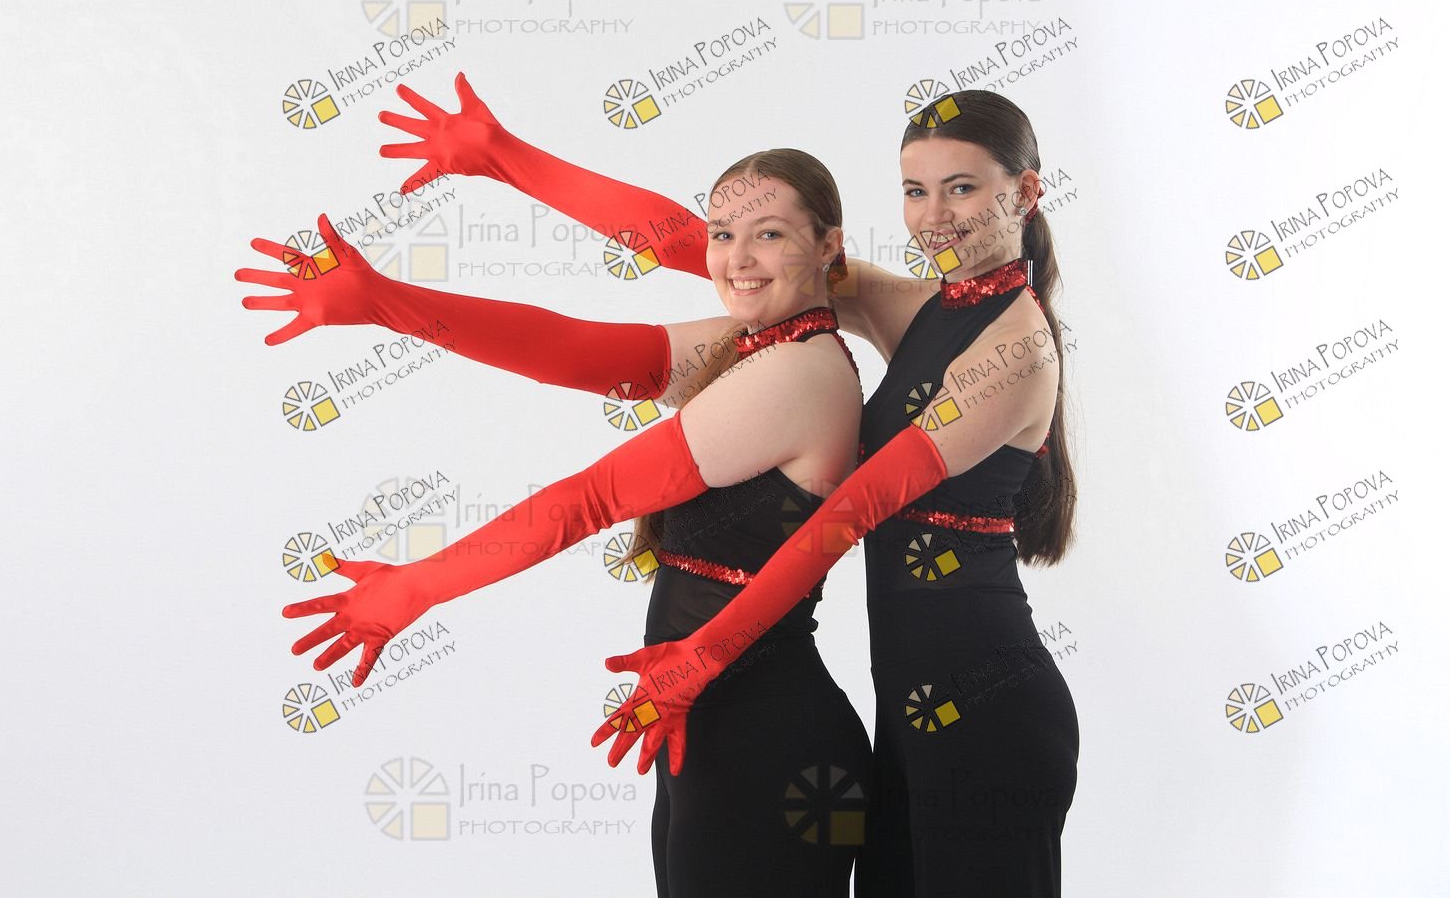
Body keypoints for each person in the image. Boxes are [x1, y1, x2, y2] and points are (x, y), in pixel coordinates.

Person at [372, 77, 1080, 896]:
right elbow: (683, 241)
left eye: (962, 188)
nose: (934, 216)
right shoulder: (923, 308)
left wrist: (701, 655)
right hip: (910, 710)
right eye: (915, 191)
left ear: (1025, 192)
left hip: (987, 713)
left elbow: (850, 513)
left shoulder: (1017, 350)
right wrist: (503, 157)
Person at [239, 150, 873, 897]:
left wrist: (416, 587)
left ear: (828, 245)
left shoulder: (797, 373)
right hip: (719, 724)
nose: (736, 260)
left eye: (768, 234)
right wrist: (386, 301)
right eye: (720, 234)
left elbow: (589, 500)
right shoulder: (755, 346)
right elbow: (568, 349)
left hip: (765, 738)